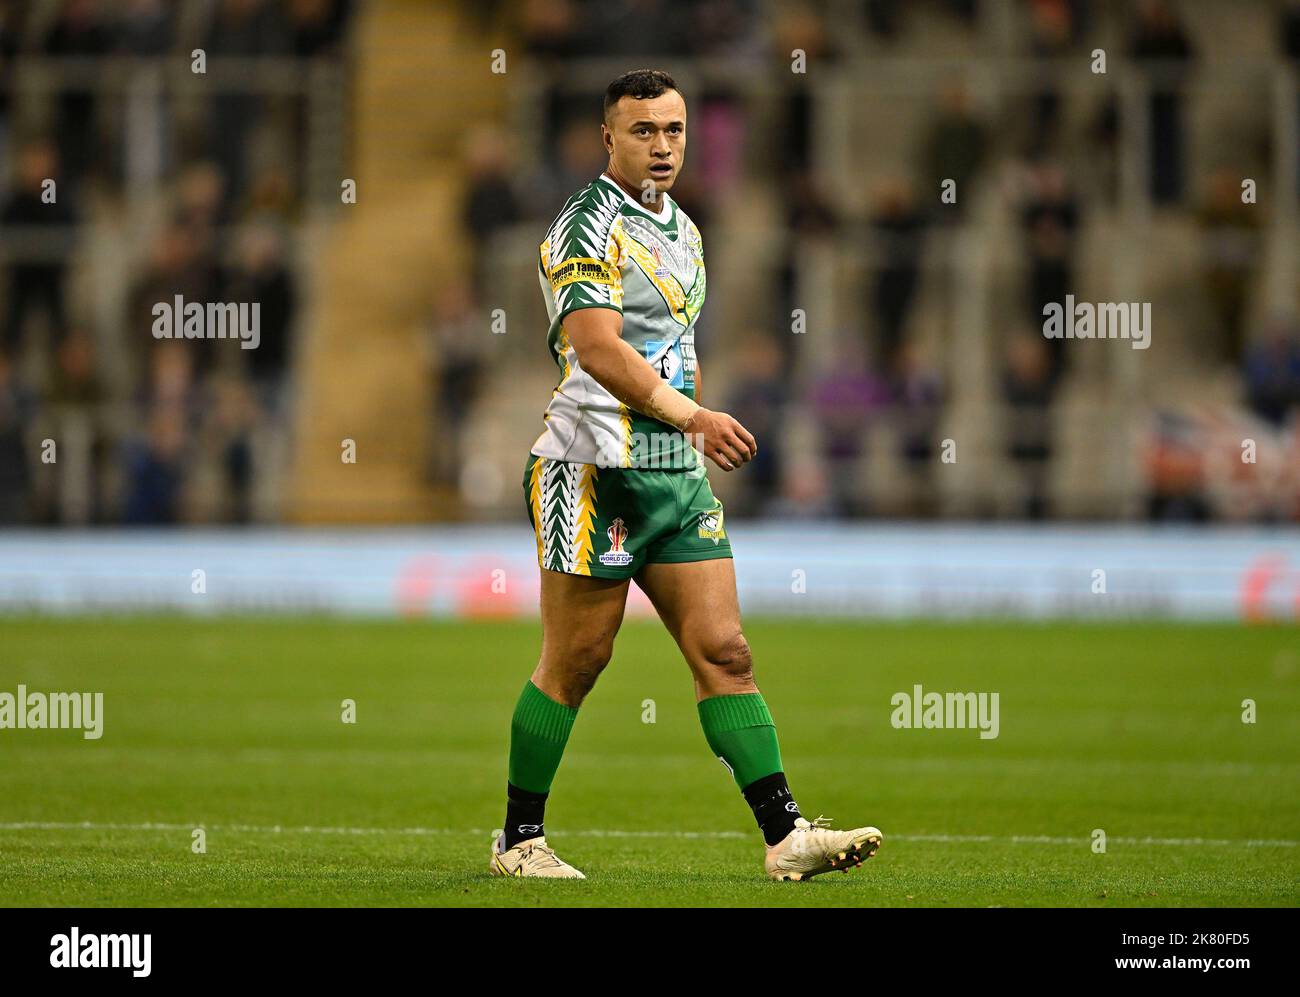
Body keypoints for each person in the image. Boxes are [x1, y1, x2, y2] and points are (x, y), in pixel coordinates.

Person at [492, 69, 882, 881]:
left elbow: (670, 342)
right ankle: (518, 840)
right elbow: (597, 346)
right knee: (577, 662)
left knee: (727, 651)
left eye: (673, 129)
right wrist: (694, 416)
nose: (662, 146)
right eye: (643, 131)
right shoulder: (584, 226)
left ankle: (785, 835)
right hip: (593, 467)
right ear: (608, 137)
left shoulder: (685, 227)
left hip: (674, 470)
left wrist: (688, 426)